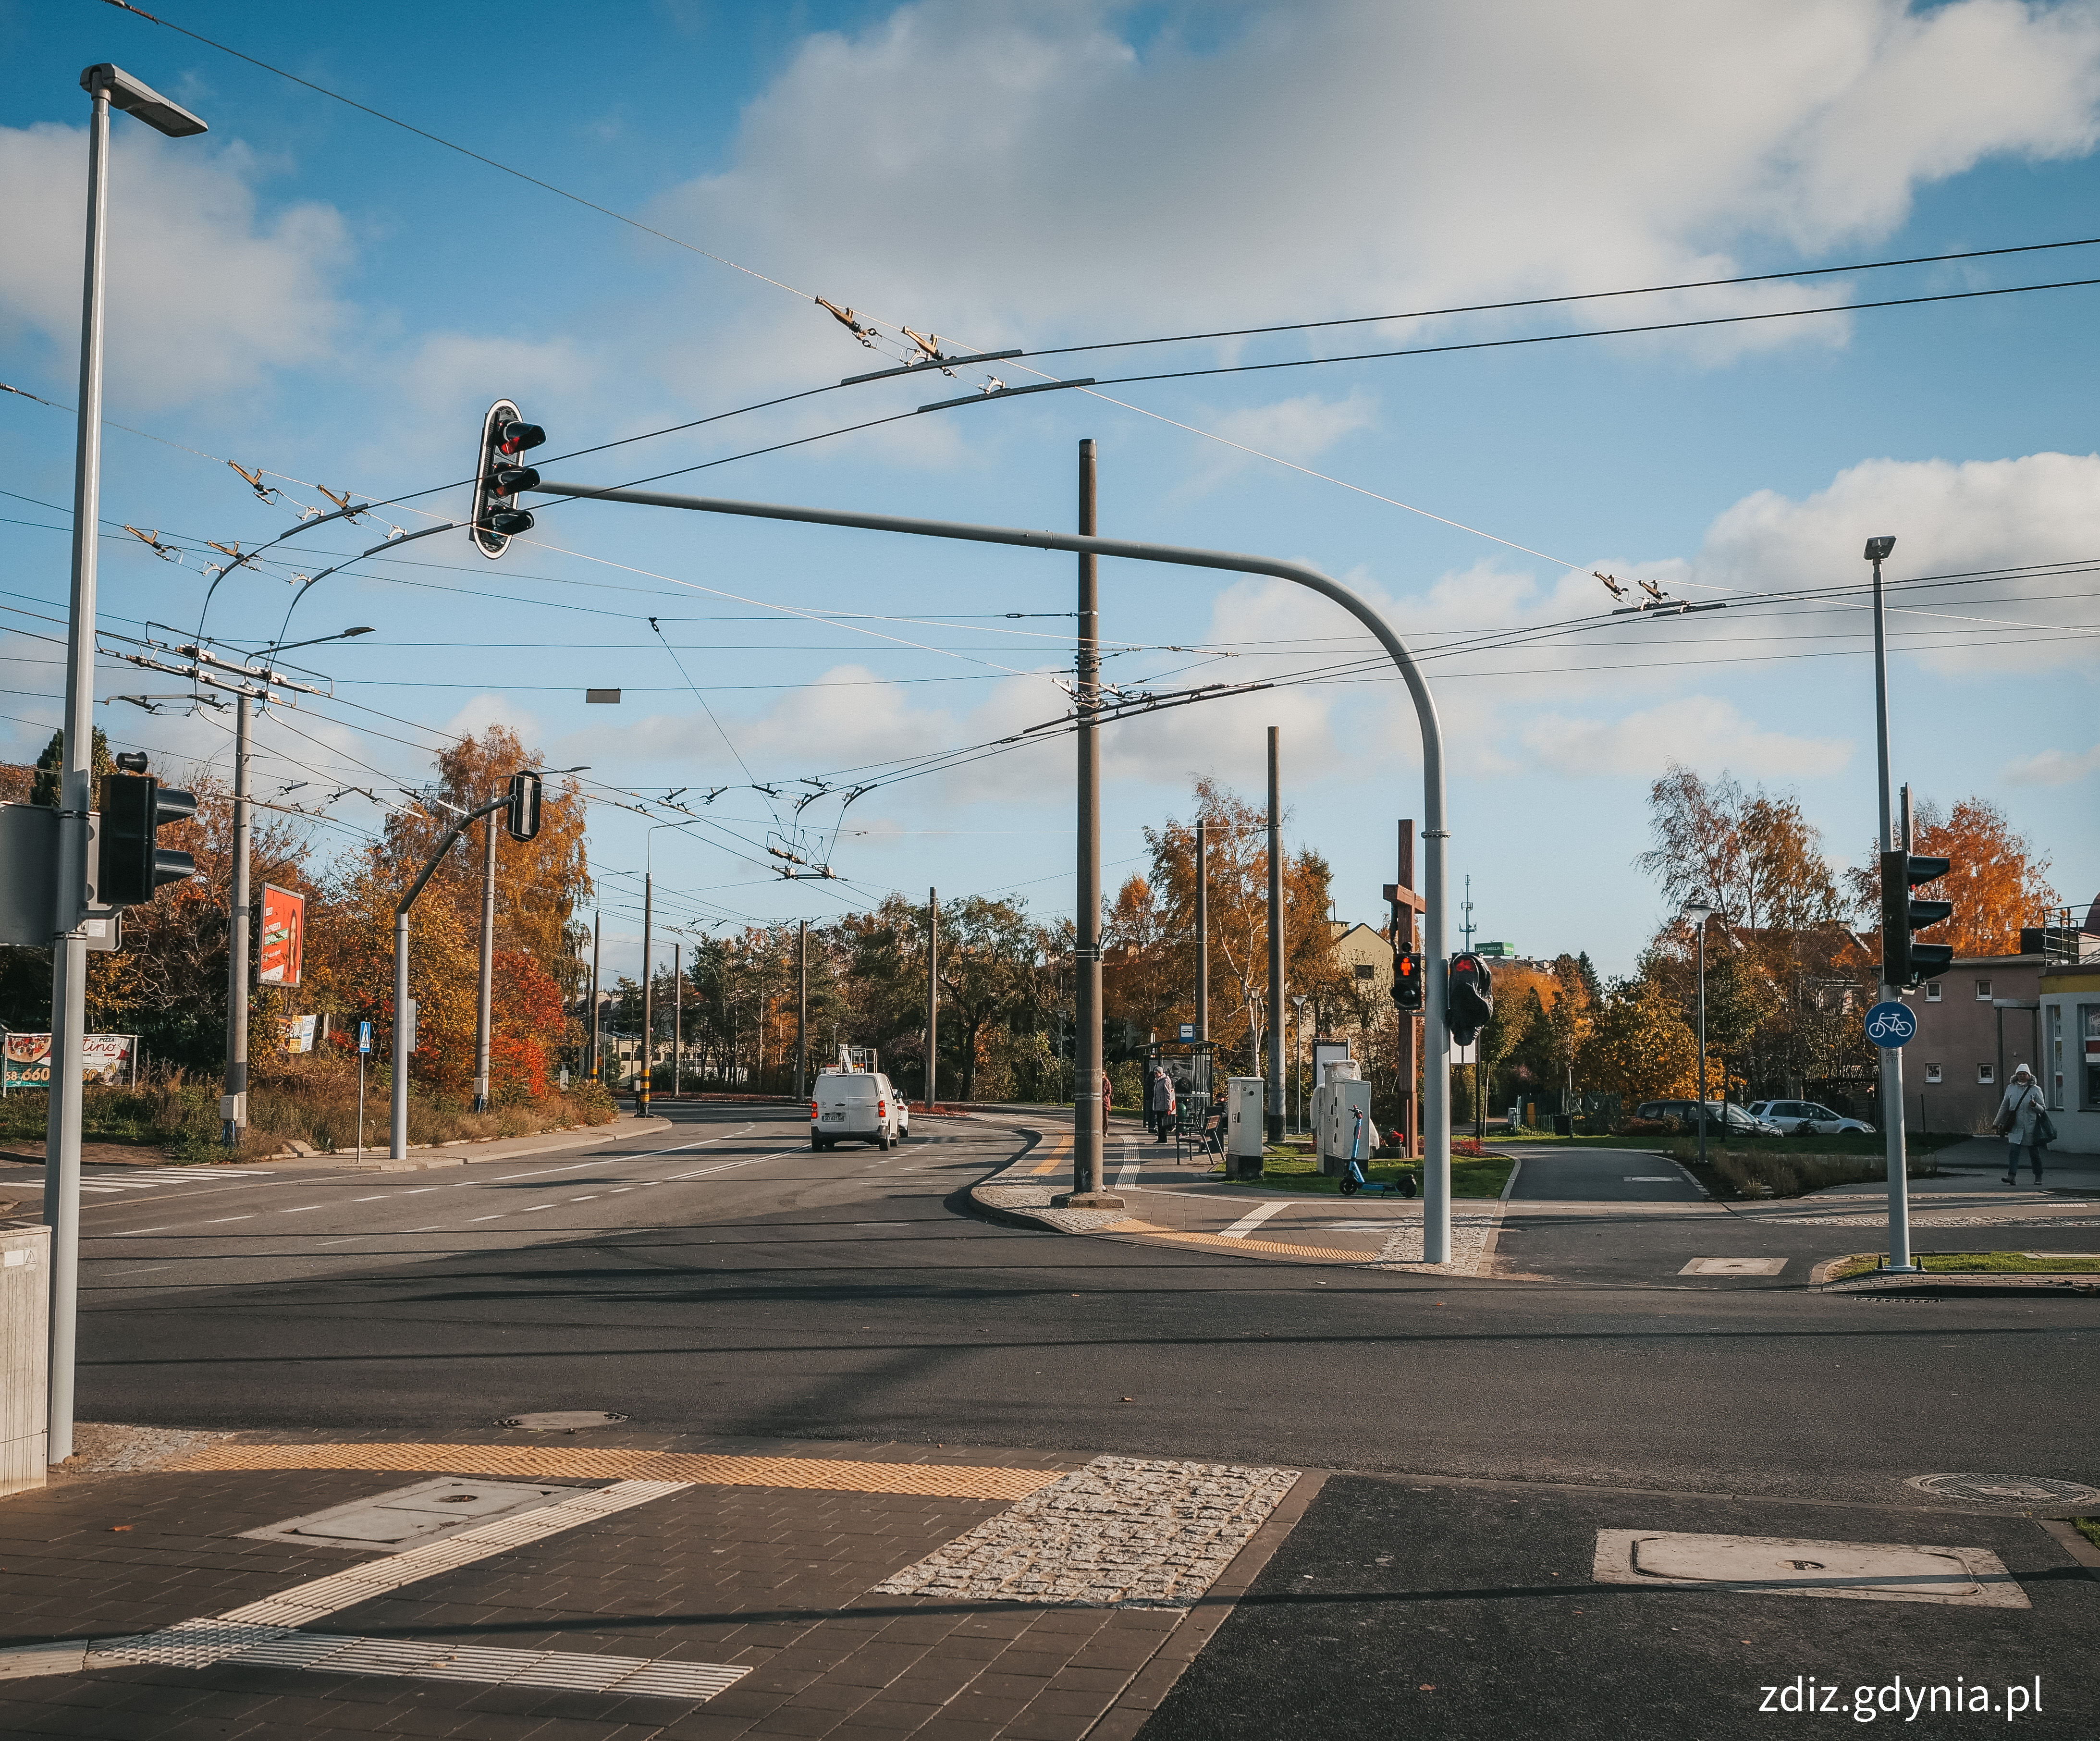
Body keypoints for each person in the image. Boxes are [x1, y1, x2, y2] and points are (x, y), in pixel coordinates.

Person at [1994, 1065, 2047, 1185]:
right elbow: (2004, 1106)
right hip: (2015, 1125)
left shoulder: (2035, 1089)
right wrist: (1996, 1123)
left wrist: (2035, 1106)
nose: (2022, 1076)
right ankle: (2011, 1176)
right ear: (2016, 1076)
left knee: (2034, 1153)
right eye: (2020, 1074)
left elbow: (2043, 1109)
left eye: (2024, 1074)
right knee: (2014, 1151)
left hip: (2031, 1126)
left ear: (2029, 1076)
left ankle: (2038, 1176)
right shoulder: (2011, 1088)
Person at [1151, 1067, 1177, 1144]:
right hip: (1158, 1105)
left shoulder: (1165, 1081)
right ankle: (1161, 1139)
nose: (1155, 1075)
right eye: (1154, 1073)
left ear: (1160, 1073)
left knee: (1162, 1124)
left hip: (1163, 1106)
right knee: (1159, 1123)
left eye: (1156, 1073)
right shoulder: (1159, 1081)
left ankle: (1163, 1139)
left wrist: (1168, 1107)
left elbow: (1168, 1095)